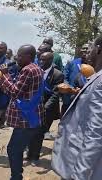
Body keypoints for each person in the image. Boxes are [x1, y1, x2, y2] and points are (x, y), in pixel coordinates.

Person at [51, 36, 102, 180]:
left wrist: (80, 175)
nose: (87, 53)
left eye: (90, 48)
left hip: (82, 167)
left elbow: (96, 134)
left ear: (98, 50)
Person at [0, 45, 44, 180]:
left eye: (19, 55)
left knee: (13, 150)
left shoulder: (28, 70)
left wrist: (4, 75)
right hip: (31, 117)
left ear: (28, 56)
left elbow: (14, 92)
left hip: (26, 119)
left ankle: (16, 177)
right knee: (16, 149)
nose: (16, 57)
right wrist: (4, 79)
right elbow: (18, 90)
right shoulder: (36, 68)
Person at [26, 52, 64, 165]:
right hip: (33, 107)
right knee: (30, 130)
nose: (41, 62)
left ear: (51, 61)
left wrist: (45, 108)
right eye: (40, 59)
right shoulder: (35, 71)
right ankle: (29, 153)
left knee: (39, 133)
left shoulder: (58, 75)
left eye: (44, 60)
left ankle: (35, 157)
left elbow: (55, 94)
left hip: (47, 109)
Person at [61, 44, 89, 115]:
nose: (85, 51)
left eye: (87, 49)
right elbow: (64, 78)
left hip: (84, 101)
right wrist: (70, 89)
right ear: (80, 51)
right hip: (69, 99)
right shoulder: (72, 63)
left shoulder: (94, 65)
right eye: (83, 49)